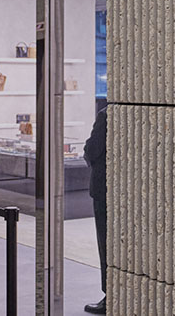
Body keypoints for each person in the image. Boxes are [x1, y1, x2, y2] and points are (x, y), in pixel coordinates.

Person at [83, 106, 107, 314]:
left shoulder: (106, 115)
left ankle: (109, 295)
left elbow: (92, 150)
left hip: (103, 189)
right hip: (127, 189)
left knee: (105, 244)